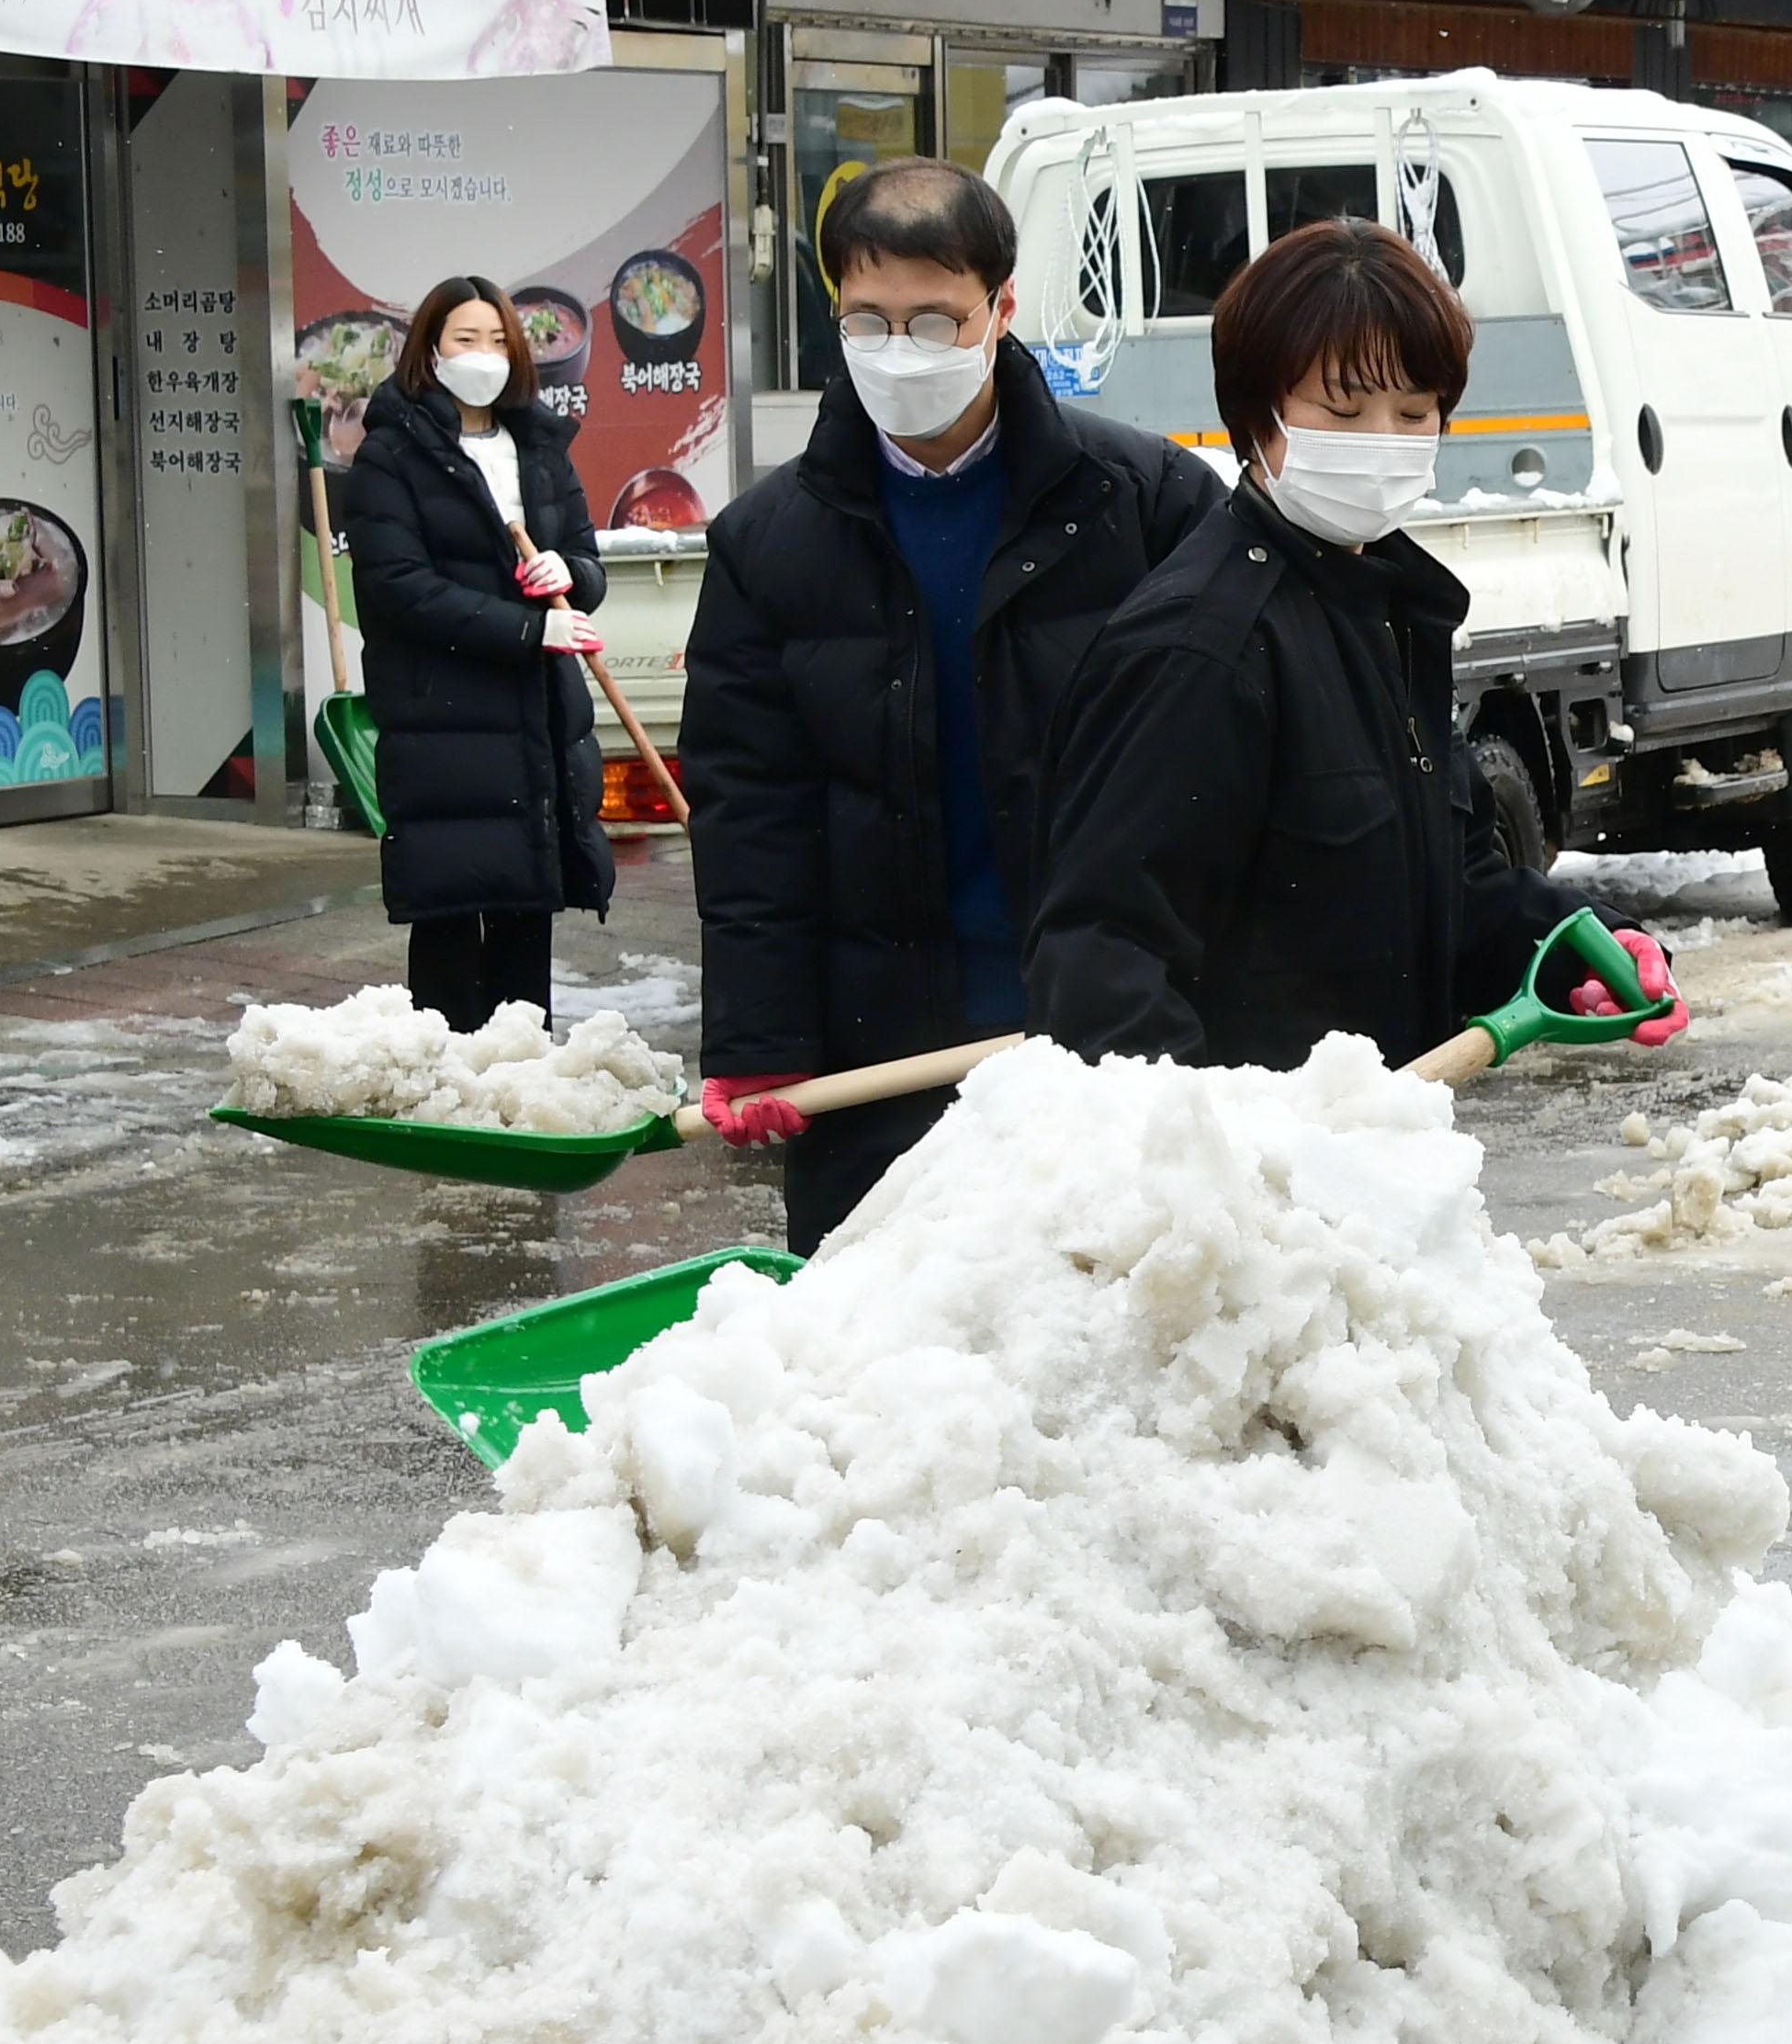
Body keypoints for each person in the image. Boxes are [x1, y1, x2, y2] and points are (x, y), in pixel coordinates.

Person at [686, 158, 1225, 1249]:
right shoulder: (768, 541)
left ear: (1002, 308)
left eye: (936, 320)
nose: (902, 351)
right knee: (873, 1352)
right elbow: (751, 807)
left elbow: (1223, 758)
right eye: (870, 320)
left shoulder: (1140, 503)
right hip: (876, 1042)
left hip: (1100, 1030)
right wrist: (758, 1034)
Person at [1031, 219, 1678, 1072]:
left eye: (1414, 413)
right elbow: (1104, 962)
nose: (1383, 439)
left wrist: (1574, 950)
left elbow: (1457, 884)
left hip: (1381, 1151)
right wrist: (1228, 1172)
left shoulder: (1388, 613)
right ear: (1257, 416)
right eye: (1342, 410)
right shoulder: (1201, 647)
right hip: (1265, 1175)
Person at [344, 277, 611, 1036]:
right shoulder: (391, 458)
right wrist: (529, 634)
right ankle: (449, 1086)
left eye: (499, 340)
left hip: (536, 725)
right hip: (445, 723)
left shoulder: (539, 447)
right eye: (467, 339)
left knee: (529, 909)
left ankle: (523, 1079)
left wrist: (572, 576)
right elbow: (401, 589)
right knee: (452, 912)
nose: (485, 356)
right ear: (430, 348)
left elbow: (586, 559)